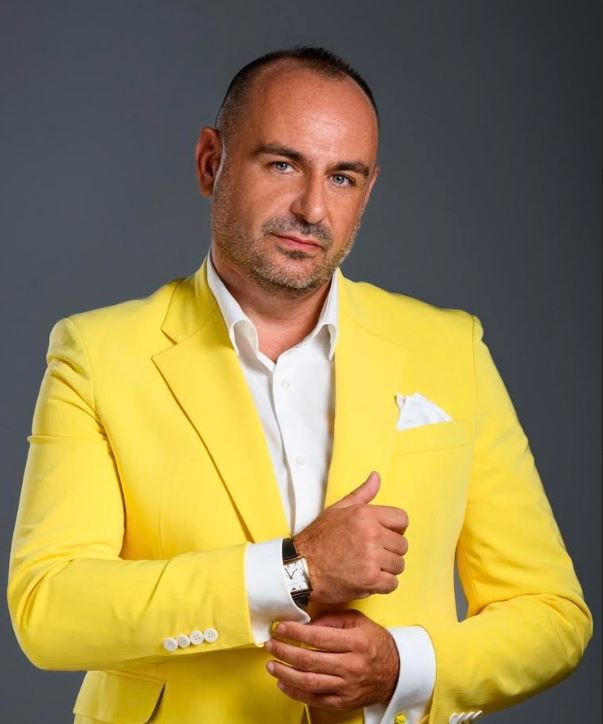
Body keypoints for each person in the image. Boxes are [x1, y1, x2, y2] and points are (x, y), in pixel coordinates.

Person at [7, 45, 592, 724]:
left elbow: (552, 615)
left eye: (343, 177)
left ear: (368, 190)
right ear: (210, 162)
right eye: (282, 164)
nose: (313, 207)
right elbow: (49, 608)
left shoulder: (449, 349)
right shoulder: (97, 354)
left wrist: (402, 668)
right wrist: (293, 571)